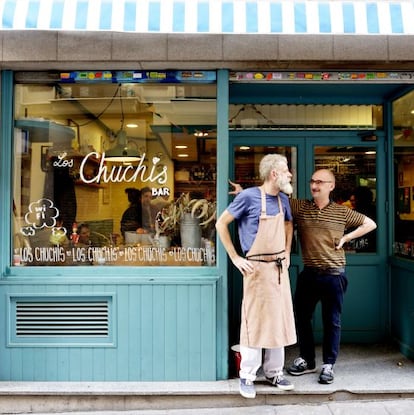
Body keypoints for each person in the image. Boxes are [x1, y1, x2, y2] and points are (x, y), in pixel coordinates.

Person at [230, 169, 377, 385]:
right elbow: (270, 196)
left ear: (331, 186)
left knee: (332, 321)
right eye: (312, 181)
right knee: (302, 318)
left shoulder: (342, 212)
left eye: (320, 182)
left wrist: (347, 237)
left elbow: (370, 224)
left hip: (334, 275)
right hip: (309, 273)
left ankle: (329, 364)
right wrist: (244, 193)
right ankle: (308, 360)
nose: (315, 185)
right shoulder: (300, 206)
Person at [216, 154, 297, 399]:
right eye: (286, 170)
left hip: (278, 269)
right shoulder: (248, 197)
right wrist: (235, 258)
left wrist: (287, 251)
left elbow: (288, 225)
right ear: (274, 174)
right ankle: (247, 376)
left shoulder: (283, 199)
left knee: (278, 322)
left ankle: (274, 373)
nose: (290, 174)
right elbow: (221, 224)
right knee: (253, 323)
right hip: (255, 269)